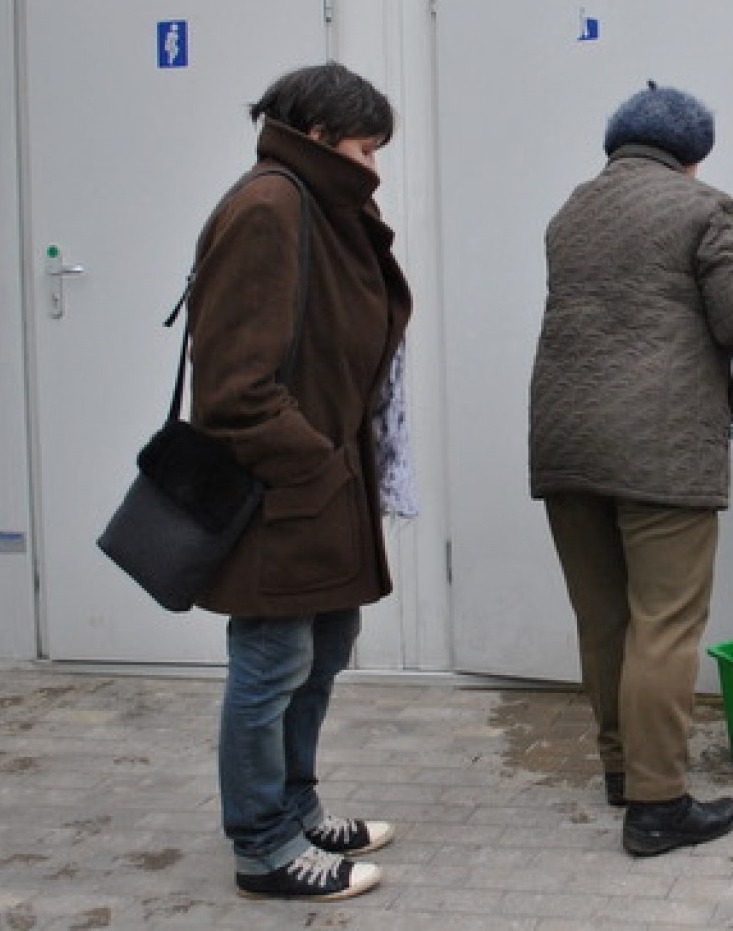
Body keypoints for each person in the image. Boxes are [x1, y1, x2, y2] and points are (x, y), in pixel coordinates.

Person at [529, 82, 733, 857]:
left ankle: (625, 769)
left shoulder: (571, 211)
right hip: (659, 448)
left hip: (567, 444)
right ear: (692, 157)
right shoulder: (704, 209)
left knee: (606, 619)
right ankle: (658, 805)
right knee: (664, 623)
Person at [188, 62, 412, 901]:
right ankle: (263, 845)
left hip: (324, 485)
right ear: (318, 136)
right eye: (364, 146)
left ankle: (296, 803)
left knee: (317, 657)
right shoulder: (270, 207)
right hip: (284, 491)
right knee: (271, 664)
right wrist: (318, 463)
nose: (375, 166)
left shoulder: (317, 203)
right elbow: (234, 388)